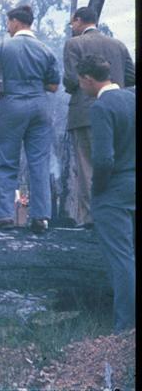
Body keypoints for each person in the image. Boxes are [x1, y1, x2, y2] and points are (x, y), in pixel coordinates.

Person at [0, 5, 60, 234]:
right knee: (38, 162)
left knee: (5, 160)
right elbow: (54, 86)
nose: (7, 27)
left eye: (8, 23)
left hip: (11, 105)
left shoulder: (4, 46)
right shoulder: (45, 50)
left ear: (16, 22)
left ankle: (5, 215)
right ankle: (40, 216)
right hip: (39, 107)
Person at [76, 54, 135, 332]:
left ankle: (125, 327)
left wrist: (98, 192)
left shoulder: (101, 108)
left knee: (122, 260)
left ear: (88, 79)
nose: (81, 87)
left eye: (80, 82)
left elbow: (103, 160)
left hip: (114, 193)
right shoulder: (132, 99)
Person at [63, 7, 135, 227]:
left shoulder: (73, 44)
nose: (72, 27)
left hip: (84, 113)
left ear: (78, 20)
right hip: (122, 110)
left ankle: (90, 217)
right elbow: (131, 77)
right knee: (119, 161)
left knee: (87, 166)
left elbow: (72, 79)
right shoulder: (118, 45)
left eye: (72, 23)